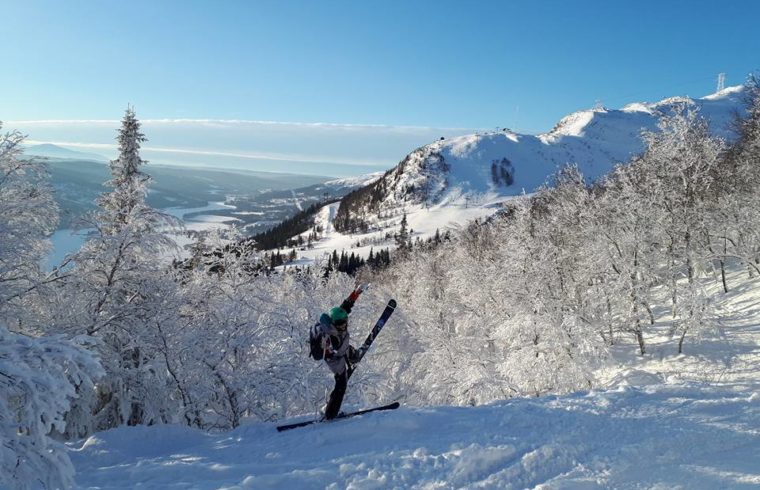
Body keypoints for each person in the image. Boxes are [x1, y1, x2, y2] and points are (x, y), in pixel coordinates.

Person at [317, 285, 366, 419]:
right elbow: (335, 351)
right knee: (341, 384)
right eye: (342, 323)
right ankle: (331, 414)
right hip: (335, 361)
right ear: (334, 323)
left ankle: (353, 355)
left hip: (341, 351)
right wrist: (343, 359)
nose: (344, 325)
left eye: (345, 322)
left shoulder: (336, 319)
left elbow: (346, 306)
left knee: (348, 350)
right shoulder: (331, 337)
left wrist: (355, 294)